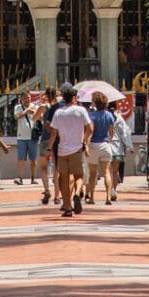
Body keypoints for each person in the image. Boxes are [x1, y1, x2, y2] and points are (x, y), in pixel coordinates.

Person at [49, 84, 92, 217]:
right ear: (74, 98)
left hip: (62, 150)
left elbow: (53, 133)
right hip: (77, 149)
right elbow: (90, 128)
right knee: (79, 175)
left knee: (64, 179)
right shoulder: (81, 111)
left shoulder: (58, 113)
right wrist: (84, 140)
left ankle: (67, 207)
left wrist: (49, 148)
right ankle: (78, 193)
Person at [85, 91, 117, 204]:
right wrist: (109, 140)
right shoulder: (109, 115)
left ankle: (92, 198)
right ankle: (108, 197)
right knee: (107, 172)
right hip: (105, 145)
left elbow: (90, 130)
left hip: (94, 145)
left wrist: (86, 144)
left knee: (93, 173)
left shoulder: (92, 116)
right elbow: (112, 131)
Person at [14, 102, 40, 186]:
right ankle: (20, 178)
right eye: (25, 98)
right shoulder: (18, 107)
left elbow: (40, 117)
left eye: (28, 97)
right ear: (21, 99)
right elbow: (17, 116)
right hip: (21, 137)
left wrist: (33, 111)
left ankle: (33, 178)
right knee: (20, 158)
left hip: (33, 137)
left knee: (33, 159)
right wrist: (27, 110)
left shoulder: (35, 106)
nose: (27, 99)